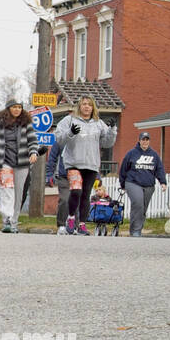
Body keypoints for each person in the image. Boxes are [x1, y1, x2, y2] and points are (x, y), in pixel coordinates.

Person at [52, 96, 116, 236]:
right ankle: (70, 218)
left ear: (93, 107)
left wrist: (112, 130)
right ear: (79, 106)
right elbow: (59, 139)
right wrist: (70, 133)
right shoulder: (69, 120)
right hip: (73, 163)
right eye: (84, 104)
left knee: (86, 194)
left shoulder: (98, 123)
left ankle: (82, 224)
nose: (86, 107)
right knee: (76, 190)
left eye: (89, 105)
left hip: (91, 164)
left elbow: (107, 143)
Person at [0, 101, 38, 233]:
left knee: (18, 194)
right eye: (14, 107)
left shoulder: (26, 123)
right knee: (7, 189)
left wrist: (33, 152)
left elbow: (32, 141)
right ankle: (7, 220)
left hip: (21, 163)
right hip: (2, 162)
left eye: (19, 107)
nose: (17, 110)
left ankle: (14, 222)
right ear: (8, 109)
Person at [118, 131, 167, 237]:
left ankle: (137, 229)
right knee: (138, 203)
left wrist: (163, 182)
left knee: (143, 208)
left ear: (149, 141)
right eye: (143, 140)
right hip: (133, 183)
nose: (145, 142)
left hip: (149, 185)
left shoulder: (154, 155)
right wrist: (122, 184)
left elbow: (159, 169)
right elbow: (123, 169)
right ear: (139, 141)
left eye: (147, 140)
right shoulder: (132, 153)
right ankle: (135, 230)